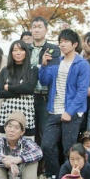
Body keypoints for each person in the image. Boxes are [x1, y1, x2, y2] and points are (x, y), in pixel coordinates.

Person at [39, 28, 90, 179]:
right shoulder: (56, 62)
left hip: (72, 112)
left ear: (75, 44)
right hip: (54, 110)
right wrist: (43, 65)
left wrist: (69, 111)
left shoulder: (82, 64)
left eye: (65, 42)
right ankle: (55, 177)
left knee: (69, 150)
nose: (62, 45)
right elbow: (43, 81)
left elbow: (82, 92)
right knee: (47, 146)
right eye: (60, 42)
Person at [29, 17, 59, 147]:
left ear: (46, 30)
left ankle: (48, 165)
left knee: (46, 133)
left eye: (40, 27)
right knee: (30, 133)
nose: (36, 30)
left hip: (45, 96)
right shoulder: (25, 49)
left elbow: (52, 73)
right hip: (29, 96)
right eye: (34, 27)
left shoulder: (53, 49)